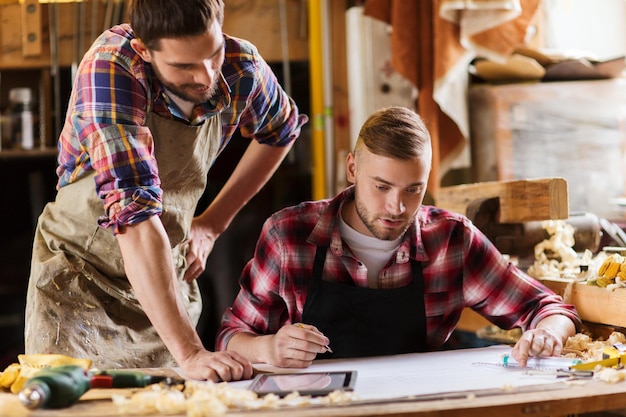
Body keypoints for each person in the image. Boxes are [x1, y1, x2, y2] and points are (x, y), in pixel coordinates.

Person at [24, 0, 307, 382]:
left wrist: (212, 223)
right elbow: (135, 217)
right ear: (144, 50)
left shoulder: (243, 67)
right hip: (80, 277)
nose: (207, 76)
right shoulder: (110, 70)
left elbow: (281, 131)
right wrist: (191, 351)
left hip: (164, 275)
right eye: (183, 66)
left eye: (213, 54)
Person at [217, 106, 581, 369]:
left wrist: (547, 334)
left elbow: (548, 308)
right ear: (352, 169)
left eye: (413, 189)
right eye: (382, 186)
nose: (396, 207)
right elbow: (232, 336)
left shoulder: (451, 240)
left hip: (418, 406)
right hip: (319, 406)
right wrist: (269, 348)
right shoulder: (288, 235)